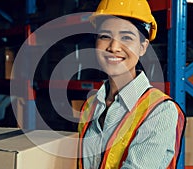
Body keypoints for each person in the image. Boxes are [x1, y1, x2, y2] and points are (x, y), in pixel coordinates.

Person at [77, 0, 186, 168]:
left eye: (126, 37)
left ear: (143, 47)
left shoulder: (159, 110)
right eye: (105, 36)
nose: (113, 47)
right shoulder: (91, 105)